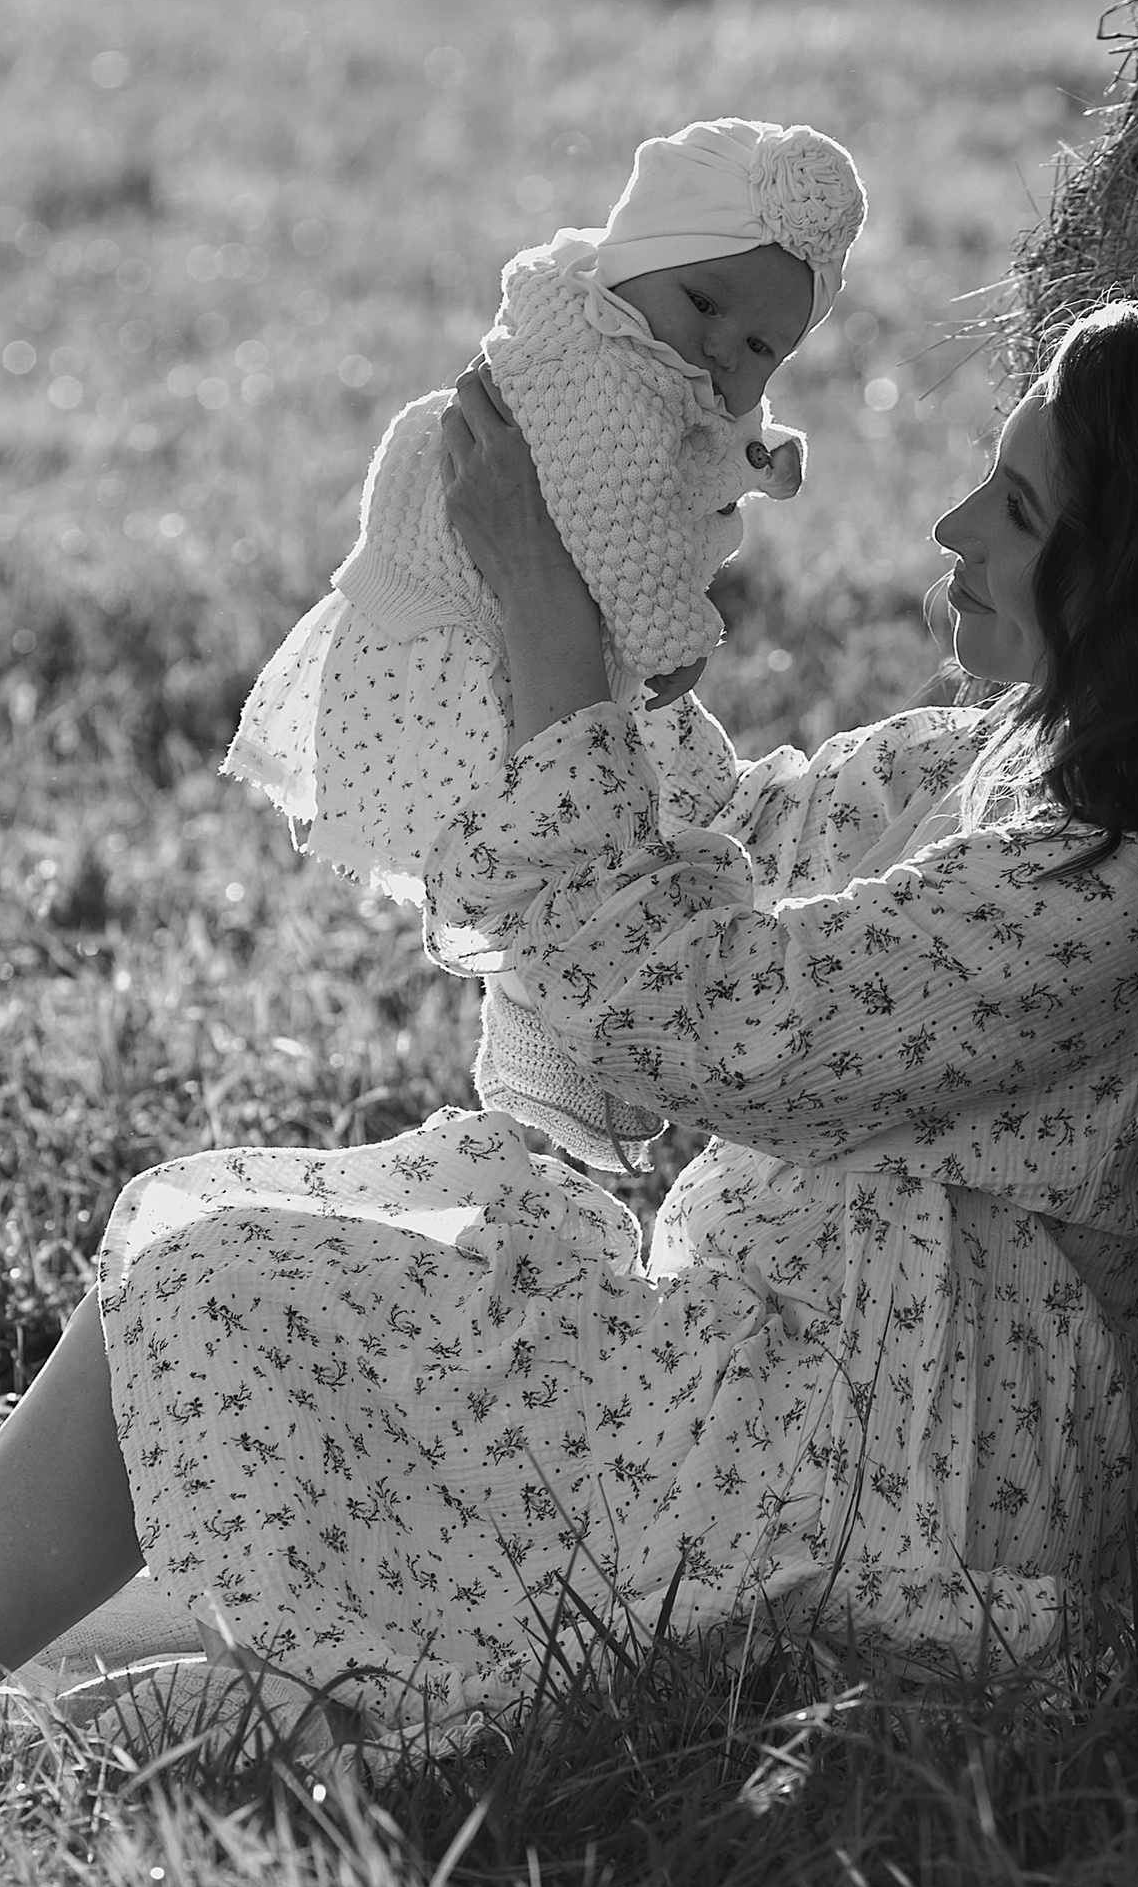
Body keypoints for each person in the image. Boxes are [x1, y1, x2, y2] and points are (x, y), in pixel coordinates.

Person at [0, 303, 1138, 1719]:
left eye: (1016, 511)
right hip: (765, 1397)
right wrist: (611, 582)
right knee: (228, 1272)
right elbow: (732, 840)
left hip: (861, 1486)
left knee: (230, 1285)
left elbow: (721, 1013)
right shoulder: (1005, 765)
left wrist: (556, 634)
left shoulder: (1134, 906)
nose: (953, 528)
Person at [223, 114, 865, 1159]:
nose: (721, 348)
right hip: (468, 636)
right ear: (635, 261)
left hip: (533, 634)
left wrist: (757, 455)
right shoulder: (596, 371)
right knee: (544, 845)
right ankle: (557, 1037)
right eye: (705, 304)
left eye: (759, 346)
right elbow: (616, 531)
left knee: (595, 832)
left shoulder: (647, 352)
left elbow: (692, 449)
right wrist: (672, 637)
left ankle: (561, 1038)